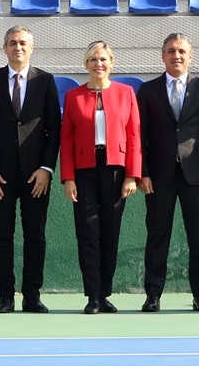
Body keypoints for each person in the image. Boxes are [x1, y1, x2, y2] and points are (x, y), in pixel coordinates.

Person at [0, 26, 60, 314]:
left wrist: (47, 168)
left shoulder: (45, 81)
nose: (18, 47)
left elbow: (53, 129)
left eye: (23, 43)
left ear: (32, 47)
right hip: (0, 175)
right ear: (5, 48)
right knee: (2, 235)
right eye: (12, 43)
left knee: (35, 235)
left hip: (36, 175)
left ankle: (32, 294)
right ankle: (5, 295)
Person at [137, 33, 199, 312]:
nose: (177, 56)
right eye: (171, 51)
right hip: (159, 176)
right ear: (162, 56)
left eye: (182, 51)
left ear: (190, 55)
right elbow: (140, 136)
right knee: (157, 234)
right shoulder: (148, 90)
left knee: (198, 235)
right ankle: (153, 294)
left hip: (196, 175)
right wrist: (143, 173)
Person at [60, 41, 141, 315]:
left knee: (110, 234)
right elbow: (67, 140)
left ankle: (105, 294)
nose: (98, 64)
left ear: (112, 62)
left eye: (103, 59)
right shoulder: (73, 96)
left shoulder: (126, 93)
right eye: (93, 59)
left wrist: (132, 175)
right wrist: (68, 178)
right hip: (84, 170)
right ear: (86, 64)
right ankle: (92, 296)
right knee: (88, 233)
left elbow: (134, 136)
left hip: (116, 170)